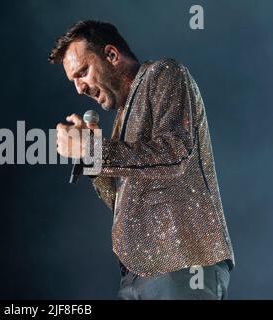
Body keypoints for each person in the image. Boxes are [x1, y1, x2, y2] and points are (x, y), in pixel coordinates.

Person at [49, 20, 235, 300]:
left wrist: (92, 149)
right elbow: (119, 201)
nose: (79, 88)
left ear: (111, 55)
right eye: (74, 80)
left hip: (181, 262)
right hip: (136, 275)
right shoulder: (120, 121)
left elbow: (174, 155)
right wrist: (93, 156)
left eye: (82, 72)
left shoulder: (163, 74)